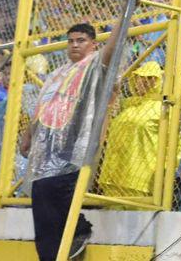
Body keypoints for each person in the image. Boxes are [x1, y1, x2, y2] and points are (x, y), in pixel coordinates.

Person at [19, 23, 121, 261]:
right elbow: (43, 106)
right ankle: (50, 255)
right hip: (47, 147)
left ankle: (78, 229)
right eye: (71, 41)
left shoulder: (95, 65)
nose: (75, 45)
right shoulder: (59, 73)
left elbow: (112, 49)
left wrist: (124, 16)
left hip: (75, 141)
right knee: (40, 194)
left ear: (93, 44)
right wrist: (28, 134)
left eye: (81, 40)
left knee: (60, 190)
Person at [97, 62, 163, 200]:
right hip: (113, 177)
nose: (144, 82)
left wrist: (164, 172)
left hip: (141, 181)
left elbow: (173, 146)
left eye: (151, 78)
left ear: (159, 81)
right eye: (140, 77)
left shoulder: (163, 109)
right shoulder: (126, 106)